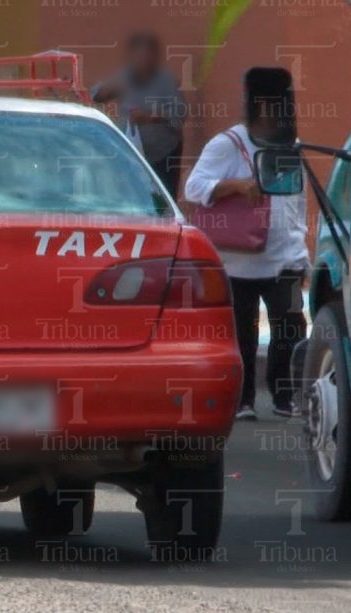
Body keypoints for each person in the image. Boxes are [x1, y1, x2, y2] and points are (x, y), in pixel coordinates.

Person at [184, 67, 308, 422]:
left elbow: (295, 201)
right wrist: (236, 186)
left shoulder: (291, 146)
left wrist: (302, 254)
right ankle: (243, 400)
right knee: (243, 331)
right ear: (259, 106)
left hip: (286, 258)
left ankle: (284, 397)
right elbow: (194, 187)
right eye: (271, 104)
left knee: (291, 325)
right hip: (238, 262)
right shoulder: (229, 143)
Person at [91, 31, 185, 198]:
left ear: (154, 57)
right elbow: (96, 95)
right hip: (133, 151)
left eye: (147, 56)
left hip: (163, 153)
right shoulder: (123, 77)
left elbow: (180, 112)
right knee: (134, 196)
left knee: (163, 198)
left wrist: (151, 117)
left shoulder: (166, 81)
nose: (142, 60)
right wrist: (110, 89)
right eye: (138, 56)